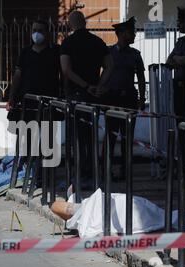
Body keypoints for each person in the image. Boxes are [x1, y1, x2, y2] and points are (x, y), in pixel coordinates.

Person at [60, 10, 114, 181]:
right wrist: (98, 85)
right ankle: (92, 169)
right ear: (85, 22)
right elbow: (110, 66)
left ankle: (80, 171)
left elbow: (66, 70)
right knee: (91, 134)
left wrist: (85, 86)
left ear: (71, 24)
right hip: (93, 96)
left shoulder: (68, 43)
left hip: (77, 94)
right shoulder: (97, 42)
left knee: (77, 136)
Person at [6, 19, 61, 185]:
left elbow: (63, 74)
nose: (36, 33)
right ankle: (33, 174)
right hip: (28, 104)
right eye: (34, 29)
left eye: (40, 30)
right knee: (29, 141)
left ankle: (47, 178)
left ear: (47, 33)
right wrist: (12, 97)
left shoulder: (55, 52)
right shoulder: (25, 52)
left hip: (48, 103)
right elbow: (18, 75)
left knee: (48, 141)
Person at [105, 17, 146, 180]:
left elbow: (141, 78)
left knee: (127, 138)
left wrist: (142, 98)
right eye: (131, 32)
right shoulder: (108, 52)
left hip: (128, 99)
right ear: (122, 34)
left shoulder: (135, 55)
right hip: (112, 99)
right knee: (111, 137)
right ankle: (106, 170)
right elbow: (102, 74)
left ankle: (126, 171)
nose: (134, 35)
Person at [167, 7, 185, 123]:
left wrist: (176, 58)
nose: (178, 25)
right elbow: (169, 61)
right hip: (178, 85)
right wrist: (177, 59)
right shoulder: (180, 41)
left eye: (181, 22)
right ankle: (181, 140)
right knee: (178, 115)